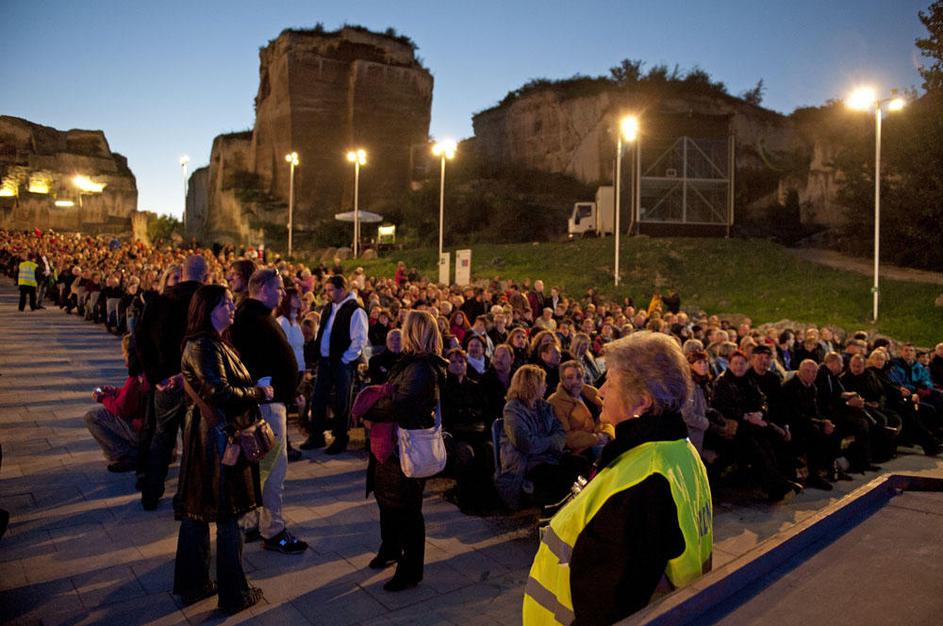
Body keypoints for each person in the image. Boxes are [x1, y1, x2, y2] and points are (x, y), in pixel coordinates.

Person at [523, 332, 712, 625]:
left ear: (642, 403)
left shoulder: (644, 484)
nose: (600, 391)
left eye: (610, 383)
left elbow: (606, 606)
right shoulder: (681, 452)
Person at [173, 284, 269, 614]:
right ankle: (234, 594)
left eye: (231, 302)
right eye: (225, 304)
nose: (232, 308)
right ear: (207, 310)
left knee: (199, 510)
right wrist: (259, 393)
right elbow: (219, 391)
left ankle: (194, 583)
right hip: (218, 438)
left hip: (209, 436)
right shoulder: (203, 344)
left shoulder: (211, 343)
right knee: (228, 513)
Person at [363, 310, 447, 592]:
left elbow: (399, 403)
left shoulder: (422, 368)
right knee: (386, 499)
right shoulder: (411, 362)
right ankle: (390, 548)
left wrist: (368, 409)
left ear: (415, 333)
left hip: (407, 444)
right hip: (393, 443)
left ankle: (411, 569)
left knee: (407, 508)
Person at [228, 269, 308, 554]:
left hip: (272, 400)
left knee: (262, 467)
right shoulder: (250, 318)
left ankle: (254, 521)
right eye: (279, 288)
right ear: (262, 288)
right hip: (265, 406)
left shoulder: (256, 316)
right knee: (273, 467)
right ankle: (273, 530)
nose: (283, 294)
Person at [135, 254, 207, 510]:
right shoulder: (205, 302)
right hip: (194, 384)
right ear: (205, 276)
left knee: (162, 436)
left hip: (165, 382)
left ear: (183, 273)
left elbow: (141, 340)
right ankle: (185, 497)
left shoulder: (159, 301)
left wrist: (156, 377)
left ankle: (151, 492)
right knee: (192, 442)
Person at [496, 365, 589, 510]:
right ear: (531, 385)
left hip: (549, 457)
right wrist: (550, 442)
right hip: (526, 463)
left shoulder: (544, 406)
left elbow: (560, 433)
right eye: (542, 382)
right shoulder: (513, 409)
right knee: (554, 475)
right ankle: (553, 511)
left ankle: (577, 507)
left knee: (580, 463)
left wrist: (544, 442)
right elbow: (526, 444)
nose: (546, 385)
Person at [305, 275, 368, 454]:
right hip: (325, 361)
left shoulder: (355, 310)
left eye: (331, 290)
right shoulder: (329, 307)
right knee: (318, 399)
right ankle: (316, 435)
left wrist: (345, 359)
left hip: (341, 362)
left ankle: (340, 438)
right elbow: (322, 331)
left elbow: (359, 339)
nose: (327, 293)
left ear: (342, 289)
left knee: (342, 402)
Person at [84, 334, 150, 472]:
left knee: (92, 416)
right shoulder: (148, 370)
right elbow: (129, 397)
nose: (122, 356)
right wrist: (114, 391)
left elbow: (120, 408)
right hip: (146, 426)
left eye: (124, 352)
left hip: (138, 428)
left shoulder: (136, 376)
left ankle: (125, 453)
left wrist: (102, 398)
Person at [547, 360, 612, 459]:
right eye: (570, 378)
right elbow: (566, 437)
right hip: (581, 451)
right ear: (562, 380)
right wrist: (596, 438)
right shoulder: (555, 402)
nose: (575, 381)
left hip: (604, 439)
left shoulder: (590, 392)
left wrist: (605, 433)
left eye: (579, 376)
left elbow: (607, 415)